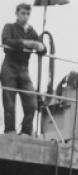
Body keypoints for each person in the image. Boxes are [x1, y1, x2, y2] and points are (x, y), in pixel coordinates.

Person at [1, 3, 45, 135]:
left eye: (27, 14)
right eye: (22, 13)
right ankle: (10, 131)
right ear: (17, 14)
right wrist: (27, 43)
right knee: (9, 102)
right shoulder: (9, 27)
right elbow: (6, 41)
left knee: (32, 103)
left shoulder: (31, 31)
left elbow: (42, 47)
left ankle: (26, 132)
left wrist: (41, 46)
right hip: (9, 67)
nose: (25, 17)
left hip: (24, 70)